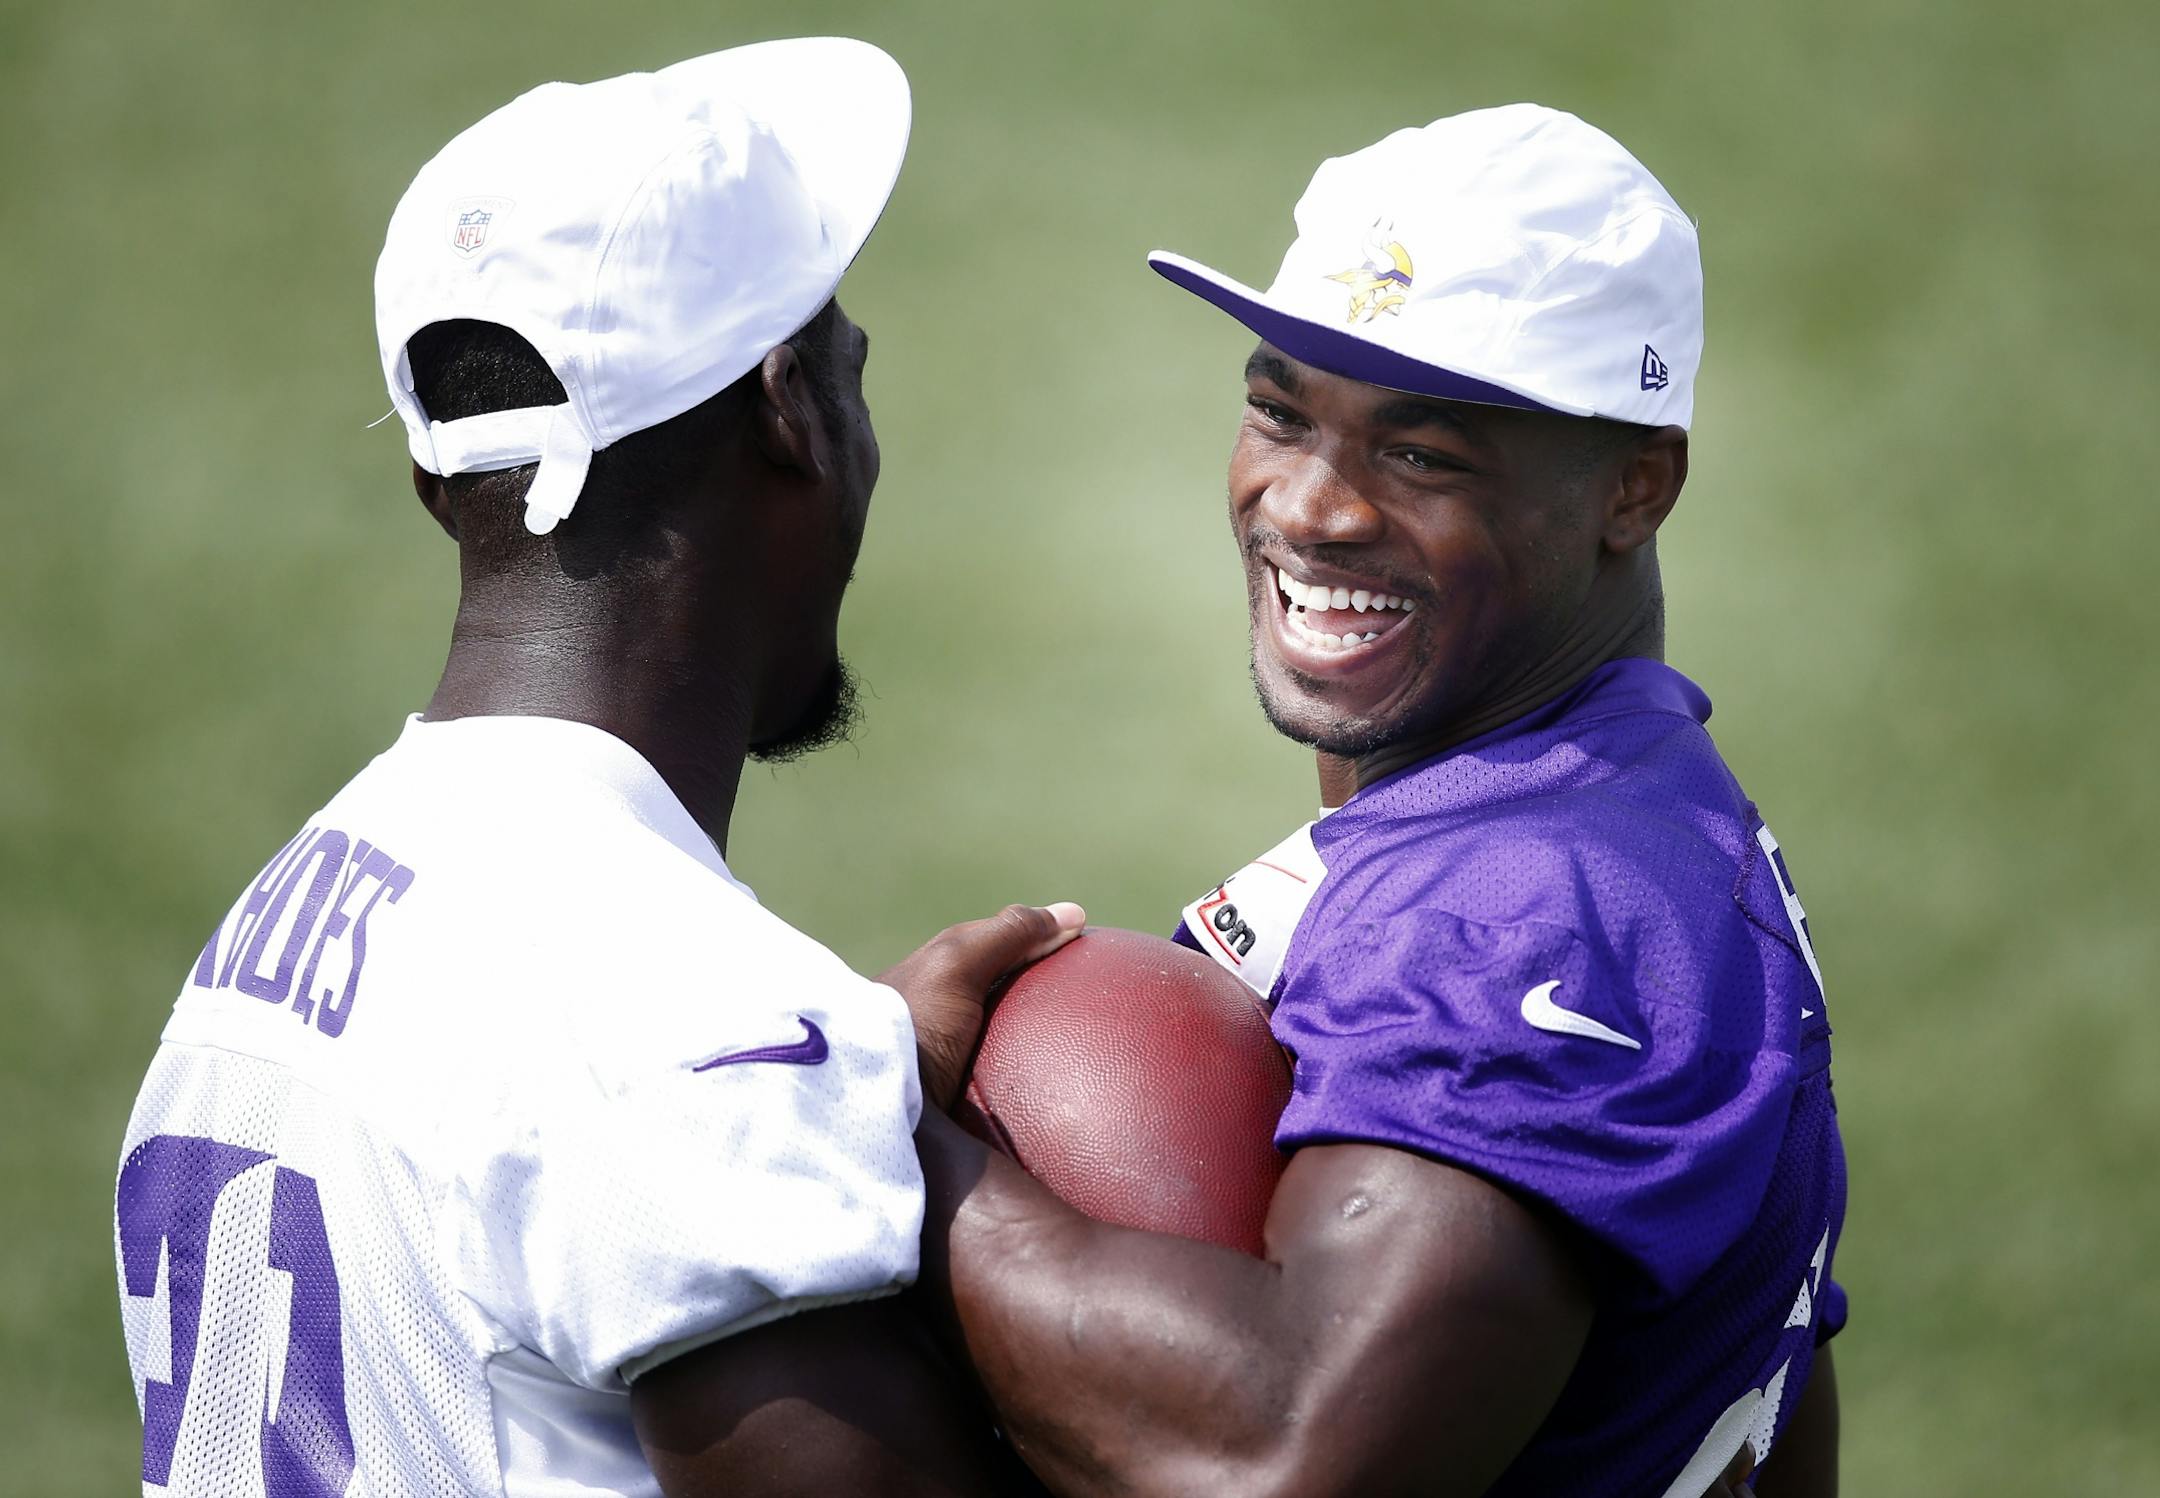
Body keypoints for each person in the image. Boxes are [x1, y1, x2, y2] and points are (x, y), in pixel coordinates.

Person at [111, 40, 1078, 1497]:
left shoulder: (263, 934)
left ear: (437, 477)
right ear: (789, 411)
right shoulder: (670, 1016)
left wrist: (813, 1126)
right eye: (848, 370)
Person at [885, 106, 1845, 1496]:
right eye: (1279, 410)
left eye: (1422, 453)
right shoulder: (1653, 799)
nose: (1312, 507)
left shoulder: (1529, 910)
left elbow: (1281, 1456)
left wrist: (891, 1138)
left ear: (1635, 484)